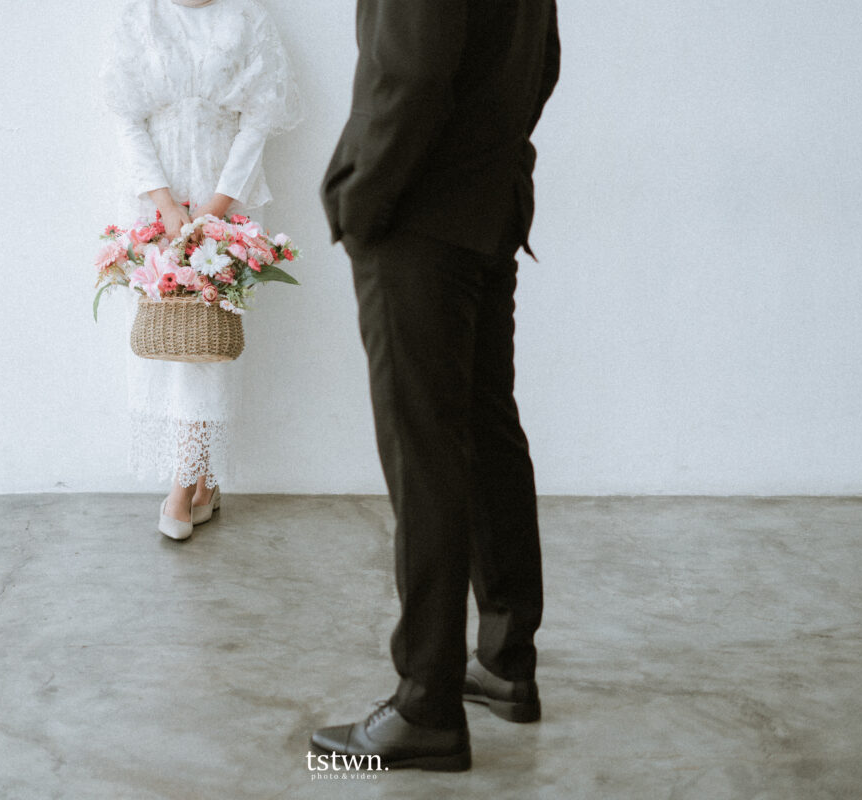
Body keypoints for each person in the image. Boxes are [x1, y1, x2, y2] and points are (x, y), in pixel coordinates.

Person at [310, 0, 561, 772]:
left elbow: (411, 72)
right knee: (486, 431)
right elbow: (543, 62)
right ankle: (506, 661)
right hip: (488, 205)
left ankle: (426, 705)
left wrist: (361, 195)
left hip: (417, 213)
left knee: (425, 454)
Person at [101, 0, 300, 540]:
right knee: (168, 336)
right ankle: (205, 481)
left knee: (208, 341)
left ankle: (183, 485)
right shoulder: (141, 16)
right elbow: (126, 117)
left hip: (226, 192)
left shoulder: (247, 17)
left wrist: (216, 207)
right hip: (152, 195)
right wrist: (165, 204)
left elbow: (258, 121)